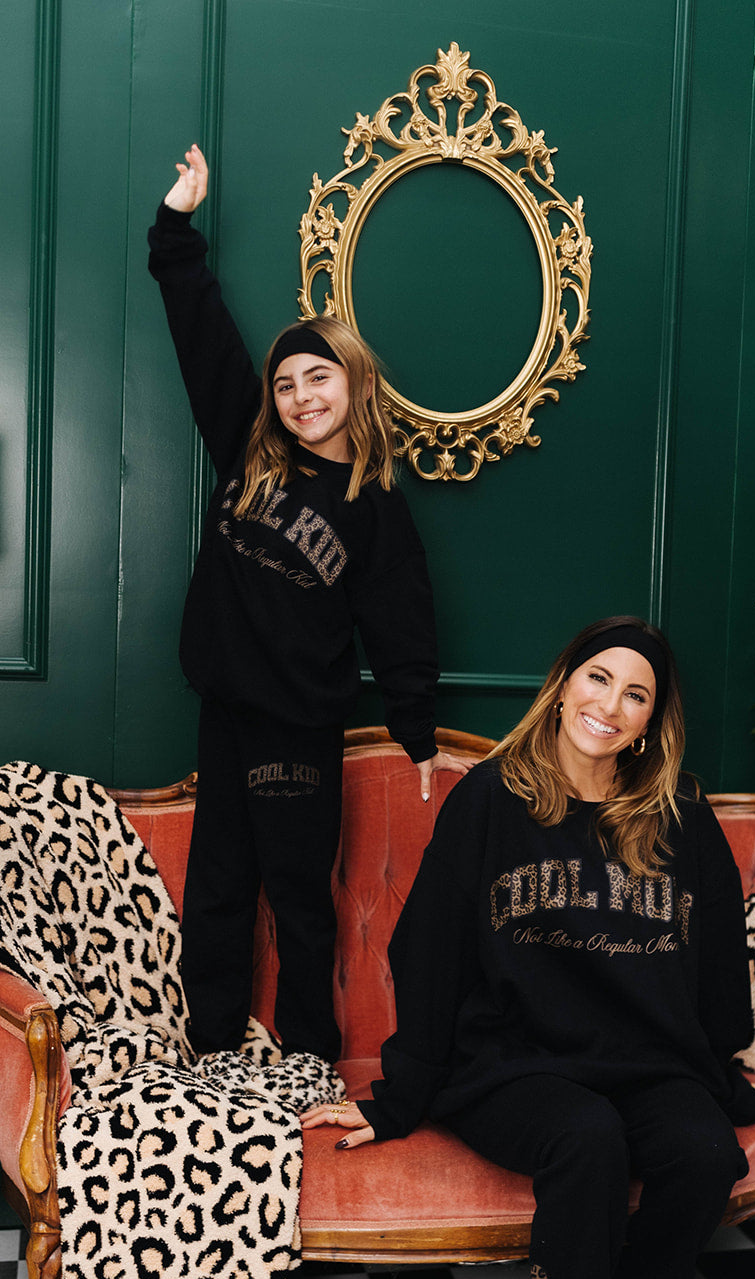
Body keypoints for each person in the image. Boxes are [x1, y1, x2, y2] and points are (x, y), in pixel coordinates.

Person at [302, 616, 755, 1279]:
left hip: (640, 1059)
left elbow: (720, 956)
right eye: (597, 679)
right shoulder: (490, 799)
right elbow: (429, 948)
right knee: (585, 1138)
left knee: (702, 1152)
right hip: (508, 1062)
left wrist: (710, 1064)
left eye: (633, 693)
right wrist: (402, 1093)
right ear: (563, 686)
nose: (609, 704)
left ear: (649, 721)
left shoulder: (676, 810)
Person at [149, 144, 473, 1066]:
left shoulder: (376, 508)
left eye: (316, 378)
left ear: (353, 383)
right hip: (226, 710)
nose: (298, 396)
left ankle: (304, 1062)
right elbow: (200, 331)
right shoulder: (248, 450)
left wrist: (417, 729)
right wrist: (176, 228)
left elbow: (403, 620)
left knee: (296, 894)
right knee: (217, 888)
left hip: (299, 726)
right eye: (286, 383)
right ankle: (211, 1053)